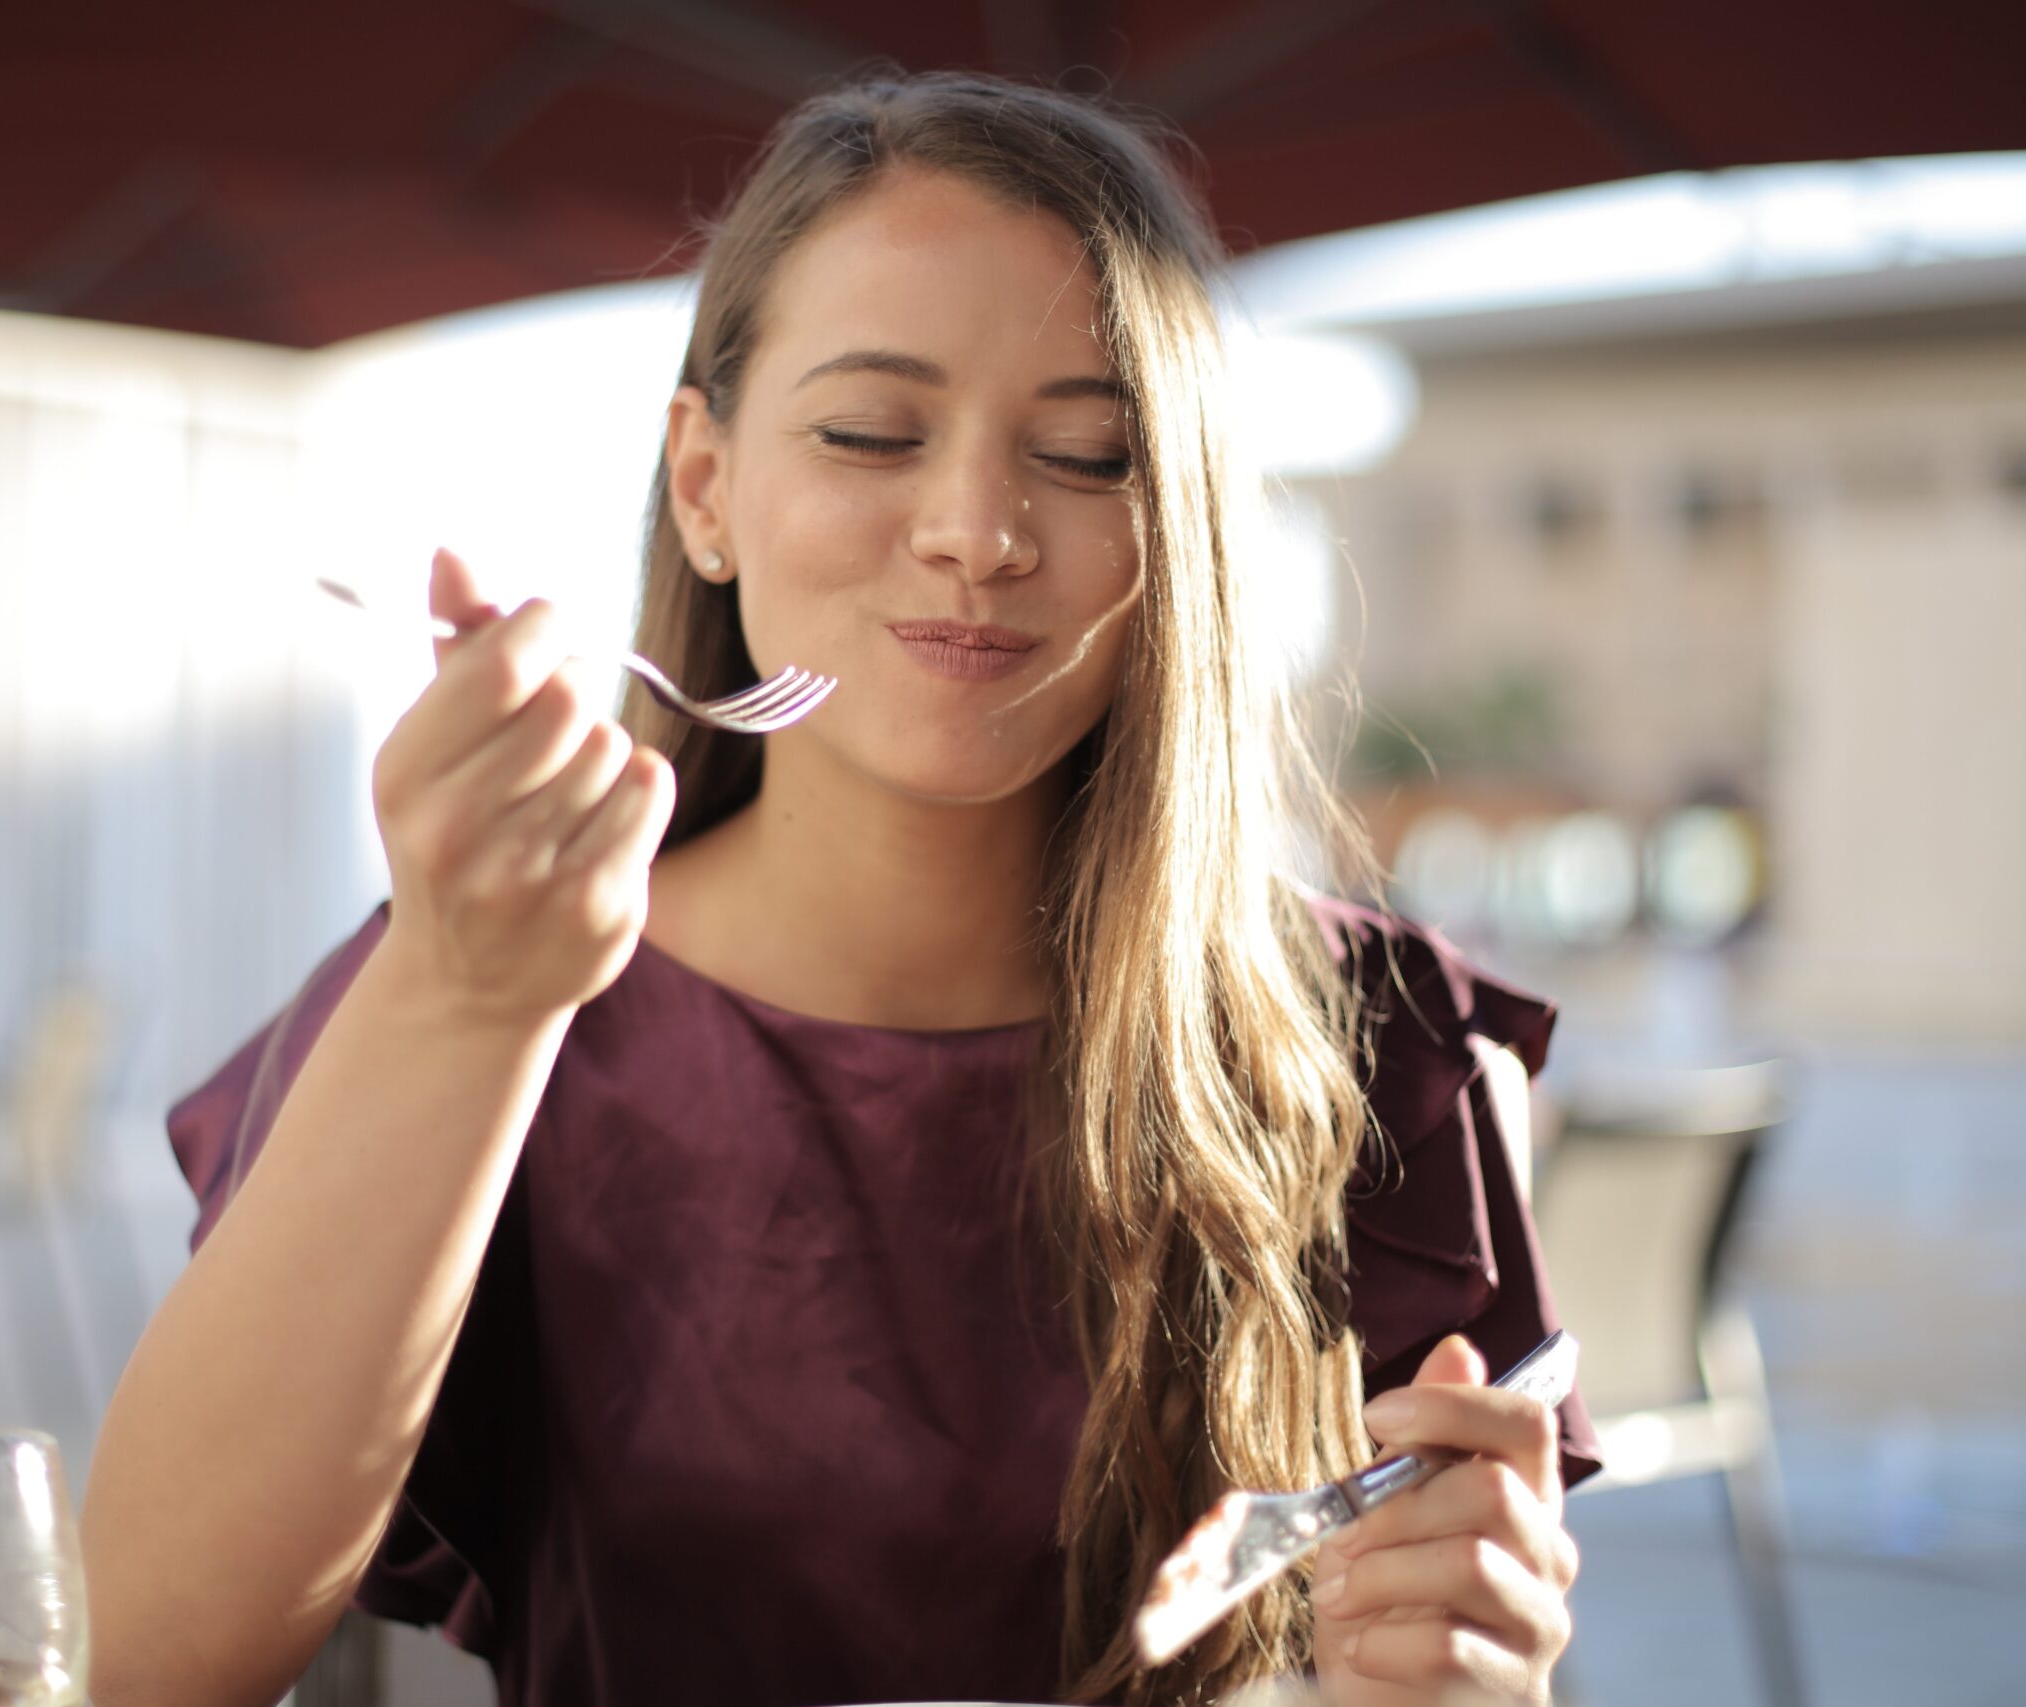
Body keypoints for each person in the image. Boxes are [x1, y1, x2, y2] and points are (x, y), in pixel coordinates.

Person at [82, 69, 1597, 1707]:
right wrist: (466, 999)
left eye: (1089, 456)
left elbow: (1424, 1630)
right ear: (704, 484)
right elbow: (144, 1660)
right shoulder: (492, 985)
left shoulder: (1367, 1045)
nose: (978, 530)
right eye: (871, 432)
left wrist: (1461, 1669)